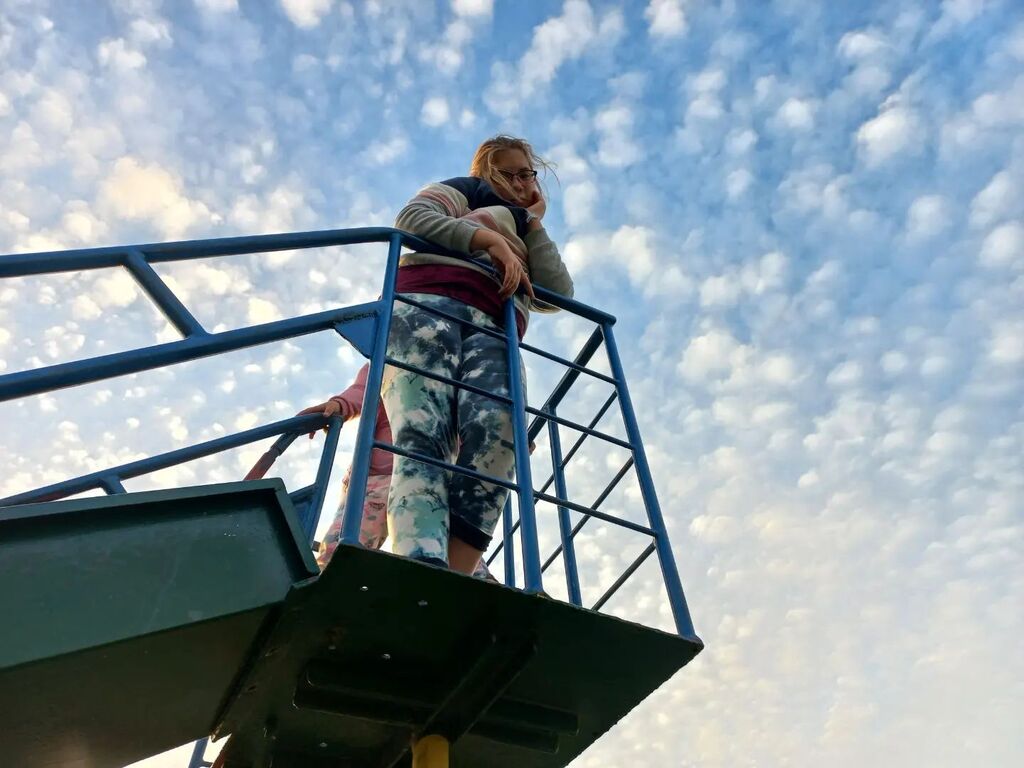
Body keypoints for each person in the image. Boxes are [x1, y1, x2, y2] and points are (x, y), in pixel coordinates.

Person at [380, 134, 573, 575]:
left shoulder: (525, 225)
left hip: (497, 328)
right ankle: (419, 565)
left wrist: (532, 224)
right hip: (428, 304)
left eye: (529, 174)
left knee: (502, 431)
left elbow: (557, 293)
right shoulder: (462, 192)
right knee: (423, 434)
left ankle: (456, 570)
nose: (523, 182)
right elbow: (412, 219)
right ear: (487, 171)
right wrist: (490, 241)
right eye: (511, 173)